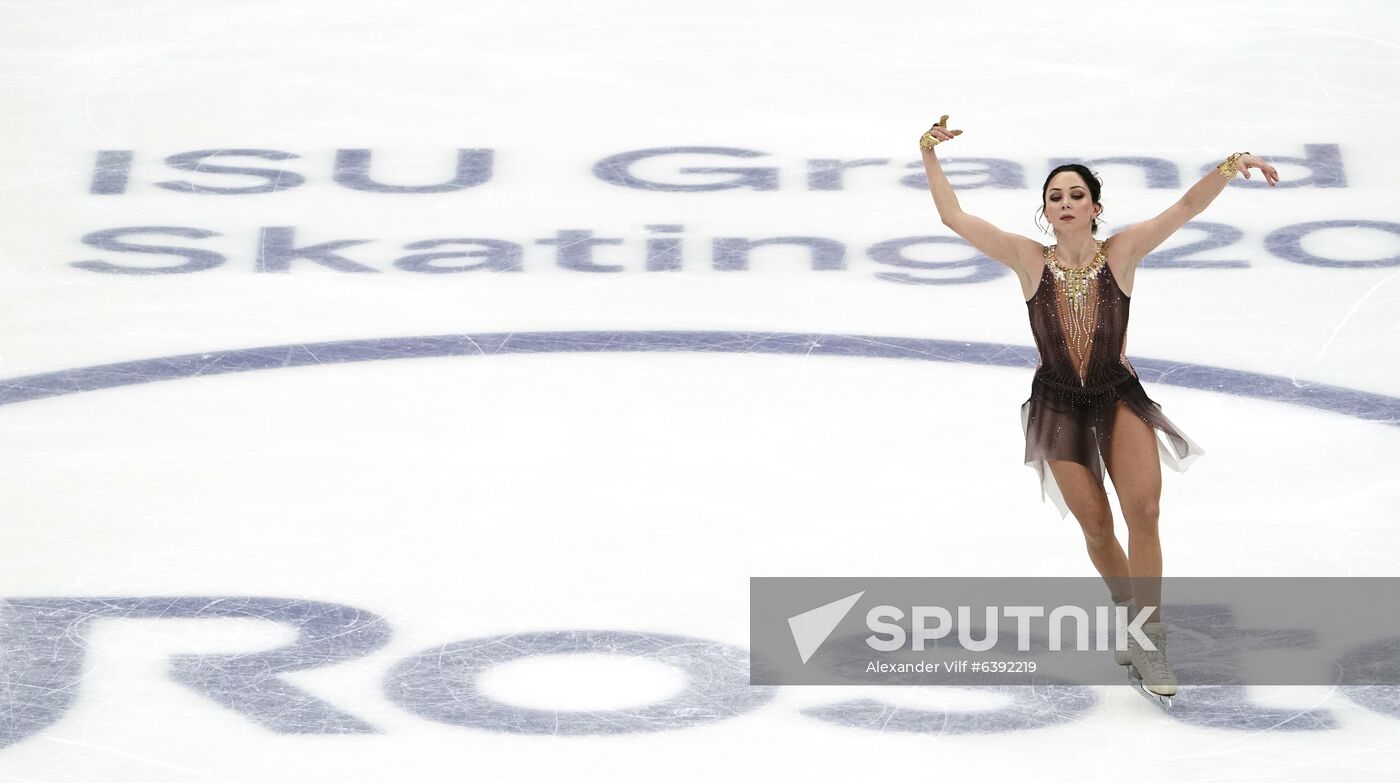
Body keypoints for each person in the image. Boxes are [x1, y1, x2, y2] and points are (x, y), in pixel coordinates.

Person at [918, 114, 1279, 702]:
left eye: (1076, 194)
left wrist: (1230, 167)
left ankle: (1149, 636)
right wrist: (929, 154)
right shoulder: (1027, 258)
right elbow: (953, 217)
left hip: (1117, 396)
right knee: (1095, 525)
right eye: (1054, 196)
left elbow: (1184, 208)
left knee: (1145, 510)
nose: (1065, 202)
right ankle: (1128, 612)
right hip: (1058, 405)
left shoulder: (1123, 252)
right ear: (1045, 211)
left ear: (1094, 207)